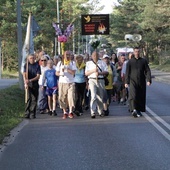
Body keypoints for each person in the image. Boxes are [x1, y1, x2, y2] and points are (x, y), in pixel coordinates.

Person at [125, 47, 152, 117]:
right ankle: (133, 109)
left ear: (140, 52)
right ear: (134, 52)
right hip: (132, 81)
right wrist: (126, 82)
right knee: (133, 95)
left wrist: (148, 80)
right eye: (136, 51)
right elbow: (127, 72)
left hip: (141, 81)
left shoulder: (143, 61)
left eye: (138, 52)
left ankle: (139, 110)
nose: (137, 53)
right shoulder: (130, 62)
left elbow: (147, 71)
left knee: (140, 96)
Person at [85, 51, 108, 118]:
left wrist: (100, 73)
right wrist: (93, 71)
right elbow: (86, 73)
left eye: (96, 55)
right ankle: (93, 112)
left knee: (100, 97)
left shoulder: (102, 63)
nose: (95, 57)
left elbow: (106, 71)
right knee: (93, 96)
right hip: (92, 80)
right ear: (92, 56)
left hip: (100, 80)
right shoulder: (88, 63)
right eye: (94, 55)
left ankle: (100, 111)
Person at [56, 51, 77, 119]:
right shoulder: (60, 63)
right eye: (66, 55)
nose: (67, 56)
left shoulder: (72, 63)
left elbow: (73, 73)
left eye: (69, 55)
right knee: (62, 98)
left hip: (71, 82)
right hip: (62, 82)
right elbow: (56, 73)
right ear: (63, 56)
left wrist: (67, 69)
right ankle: (65, 112)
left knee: (71, 97)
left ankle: (70, 111)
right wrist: (60, 73)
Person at [23, 54, 41, 119]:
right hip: (28, 84)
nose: (32, 59)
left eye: (33, 58)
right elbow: (24, 74)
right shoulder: (26, 65)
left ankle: (32, 113)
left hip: (35, 83)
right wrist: (25, 82)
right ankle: (26, 113)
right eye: (30, 58)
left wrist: (30, 80)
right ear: (28, 59)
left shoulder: (37, 65)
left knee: (34, 99)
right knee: (28, 99)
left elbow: (38, 76)